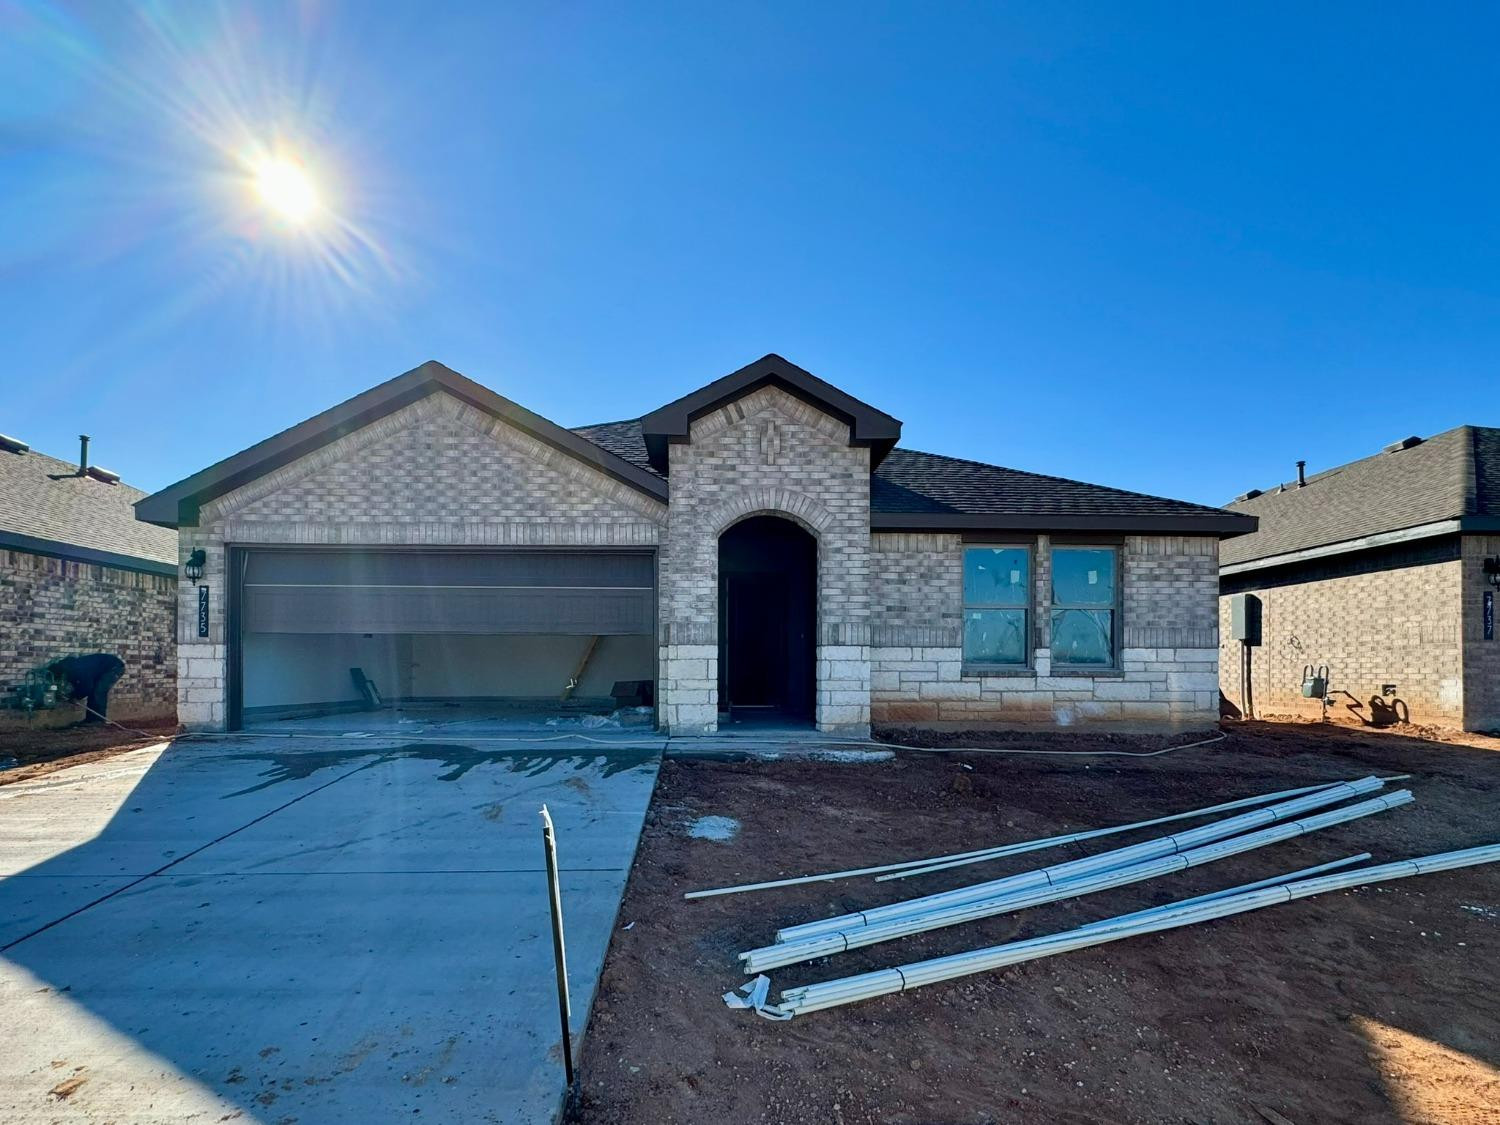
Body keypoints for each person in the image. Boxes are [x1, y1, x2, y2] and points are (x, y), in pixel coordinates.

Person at [48, 653, 126, 724]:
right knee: (93, 692)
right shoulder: (69, 668)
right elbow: (79, 685)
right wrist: (71, 695)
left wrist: (75, 697)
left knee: (99, 692)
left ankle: (98, 721)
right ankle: (90, 720)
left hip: (114, 667)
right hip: (102, 669)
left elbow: (87, 687)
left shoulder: (78, 669)